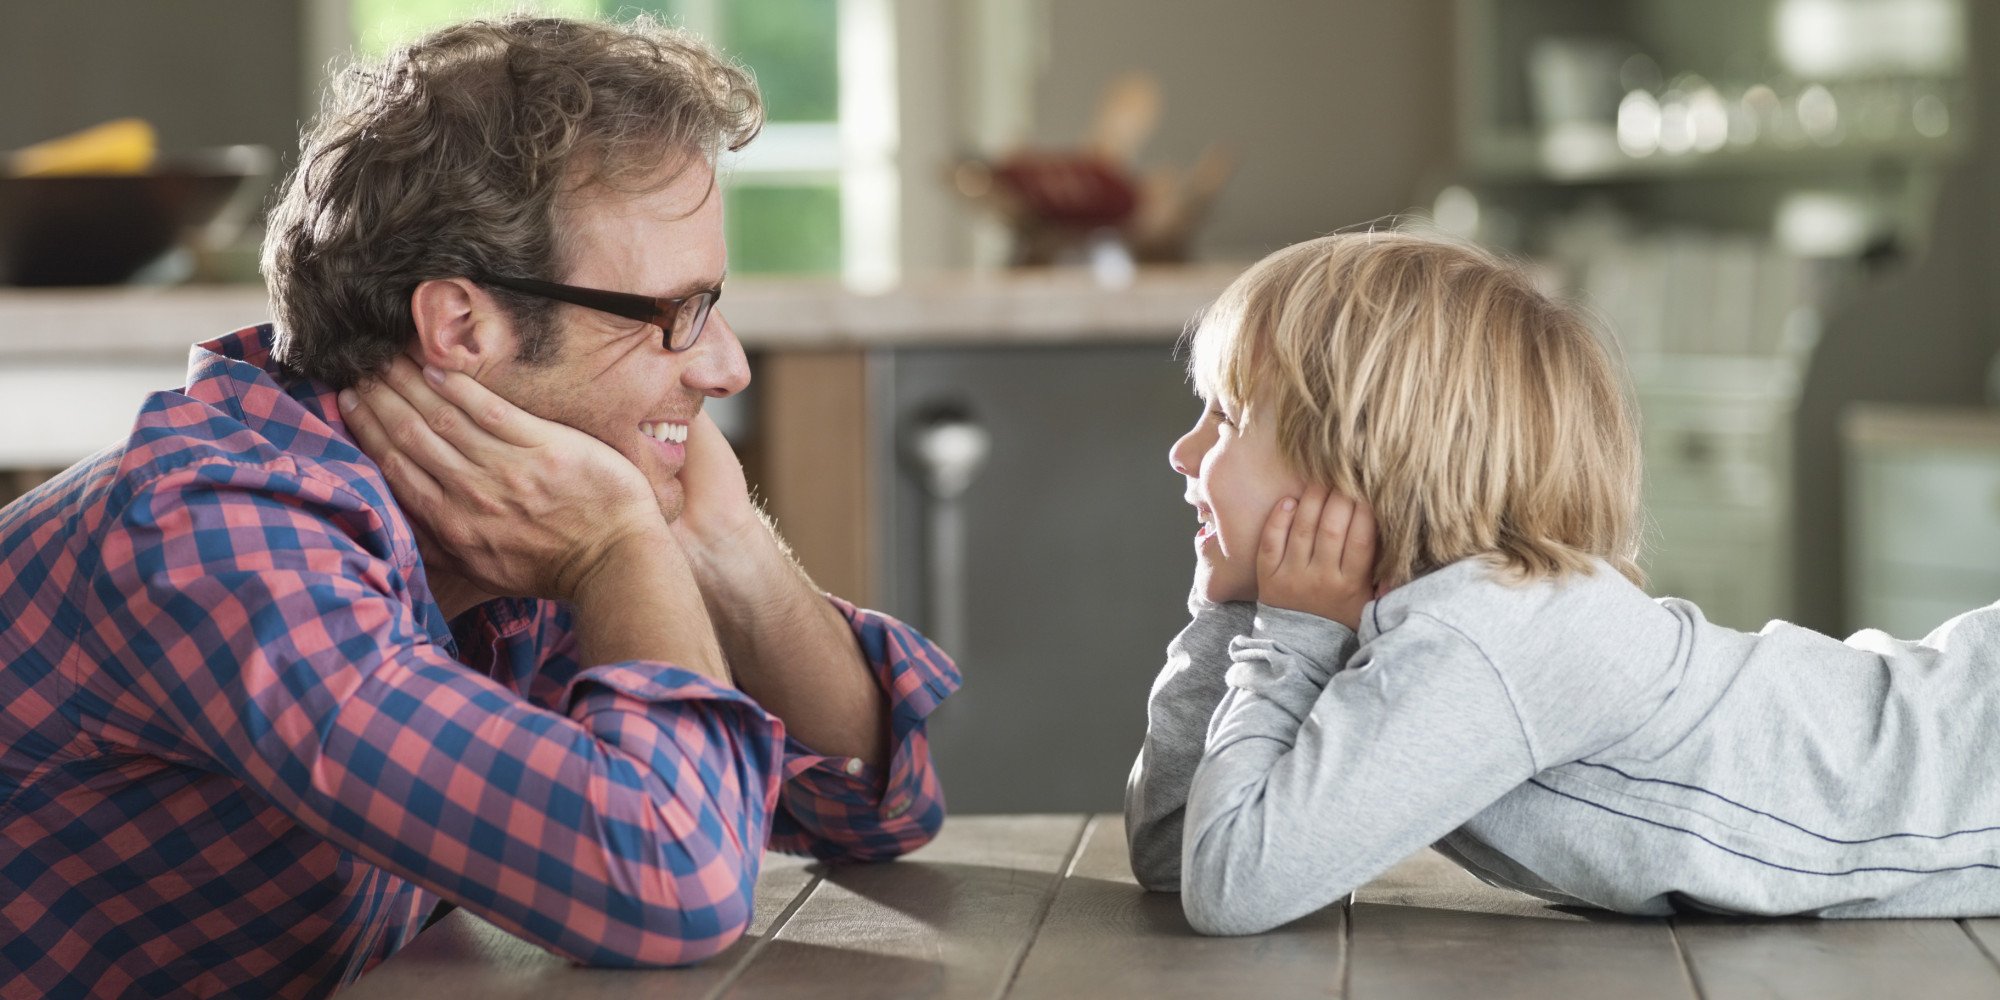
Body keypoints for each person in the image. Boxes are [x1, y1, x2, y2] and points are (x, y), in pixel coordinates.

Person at [0, 15, 958, 996]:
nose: (725, 366)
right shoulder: (222, 536)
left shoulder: (507, 501)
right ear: (463, 324)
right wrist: (621, 549)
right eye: (676, 314)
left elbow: (871, 809)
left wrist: (730, 548)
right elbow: (669, 882)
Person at [1126, 228, 2000, 936]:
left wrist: (1286, 633)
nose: (1184, 453)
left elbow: (1233, 883)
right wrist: (1237, 617)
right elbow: (1175, 852)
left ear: (1362, 459)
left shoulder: (1487, 632)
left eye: (1228, 418)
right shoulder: (1410, 621)